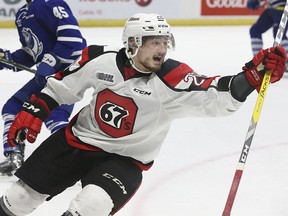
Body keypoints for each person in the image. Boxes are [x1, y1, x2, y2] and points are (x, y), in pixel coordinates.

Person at [0, 13, 286, 216]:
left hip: (124, 160)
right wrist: (36, 108)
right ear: (134, 43)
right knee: (19, 199)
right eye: (154, 42)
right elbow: (63, 87)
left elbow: (215, 92)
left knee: (92, 205)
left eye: (165, 41)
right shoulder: (102, 59)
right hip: (75, 143)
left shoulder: (172, 78)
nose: (162, 48)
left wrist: (252, 74)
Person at [0, 0, 87, 176]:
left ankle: (76, 160)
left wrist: (51, 62)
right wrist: (8, 58)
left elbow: (74, 41)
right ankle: (14, 155)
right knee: (13, 108)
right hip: (50, 73)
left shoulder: (50, 3)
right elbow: (32, 52)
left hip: (67, 72)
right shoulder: (22, 15)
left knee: (54, 114)